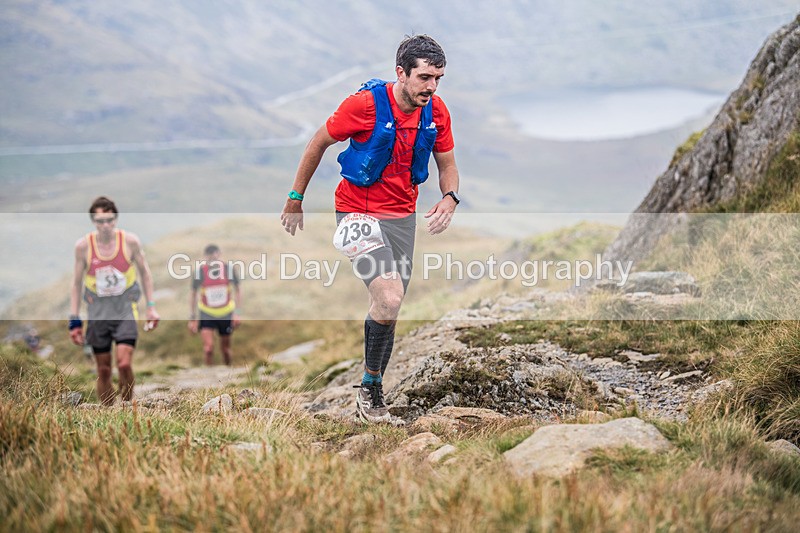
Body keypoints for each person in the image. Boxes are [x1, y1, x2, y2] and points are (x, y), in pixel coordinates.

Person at [281, 34, 461, 423]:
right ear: (401, 72)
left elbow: (447, 164)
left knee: (387, 307)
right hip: (356, 214)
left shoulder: (437, 111)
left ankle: (370, 384)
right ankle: (371, 393)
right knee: (391, 298)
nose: (432, 87)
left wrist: (450, 198)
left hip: (401, 218)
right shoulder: (363, 106)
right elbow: (317, 143)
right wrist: (296, 197)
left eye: (438, 79)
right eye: (425, 77)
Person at [68, 196, 160, 406]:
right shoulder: (83, 247)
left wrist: (151, 307)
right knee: (104, 369)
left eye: (110, 220)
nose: (106, 225)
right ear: (93, 221)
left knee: (125, 363)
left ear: (116, 219)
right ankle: (108, 412)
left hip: (124, 307)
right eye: (100, 221)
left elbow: (145, 274)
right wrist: (74, 320)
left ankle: (127, 407)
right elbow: (76, 283)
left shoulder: (130, 242)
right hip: (97, 310)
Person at [188, 244, 242, 366]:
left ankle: (229, 375)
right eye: (210, 256)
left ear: (219, 255)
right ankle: (209, 379)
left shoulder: (228, 269)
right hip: (206, 313)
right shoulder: (200, 271)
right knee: (208, 349)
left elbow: (238, 289)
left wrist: (237, 313)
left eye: (215, 256)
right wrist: (192, 318)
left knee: (226, 350)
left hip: (226, 313)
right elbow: (193, 293)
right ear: (205, 257)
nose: (213, 259)